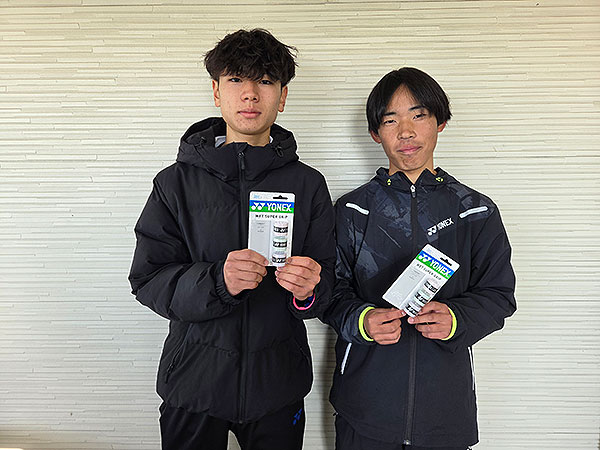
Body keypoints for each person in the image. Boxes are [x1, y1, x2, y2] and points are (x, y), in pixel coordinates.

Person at [128, 29, 335, 450]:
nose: (250, 94)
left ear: (282, 96)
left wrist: (308, 292)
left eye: (265, 81)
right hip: (193, 383)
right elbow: (148, 280)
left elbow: (328, 281)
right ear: (216, 91)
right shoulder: (174, 183)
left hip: (277, 385)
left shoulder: (308, 184)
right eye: (236, 79)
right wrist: (217, 281)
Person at [322, 67, 517, 450]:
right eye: (390, 120)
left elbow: (499, 296)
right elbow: (328, 293)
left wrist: (456, 318)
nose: (406, 131)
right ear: (375, 133)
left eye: (419, 115)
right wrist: (362, 321)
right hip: (364, 409)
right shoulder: (352, 210)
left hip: (444, 413)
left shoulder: (475, 211)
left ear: (440, 122)